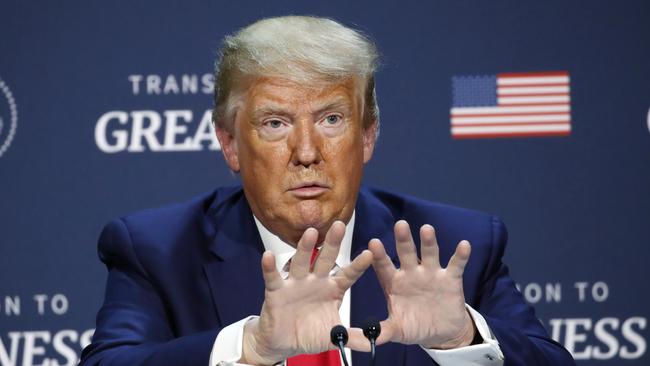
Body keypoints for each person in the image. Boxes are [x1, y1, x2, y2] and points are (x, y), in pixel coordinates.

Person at [80, 16, 575, 366]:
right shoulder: (158, 250)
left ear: (367, 136)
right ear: (230, 144)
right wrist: (250, 347)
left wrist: (460, 337)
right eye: (275, 123)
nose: (307, 152)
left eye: (332, 119)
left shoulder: (453, 243)